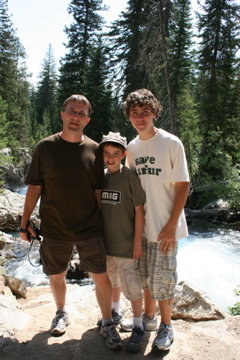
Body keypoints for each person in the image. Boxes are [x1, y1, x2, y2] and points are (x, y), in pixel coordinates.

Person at [19, 94, 122, 351]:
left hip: (90, 227)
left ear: (87, 120)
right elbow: (35, 187)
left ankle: (108, 322)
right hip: (54, 227)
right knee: (56, 275)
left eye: (81, 113)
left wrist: (107, 223)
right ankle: (61, 311)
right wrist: (24, 222)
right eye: (72, 111)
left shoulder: (96, 150)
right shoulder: (45, 147)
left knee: (101, 276)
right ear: (62, 114)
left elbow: (99, 190)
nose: (76, 117)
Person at [121, 88, 190, 352]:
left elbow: (182, 185)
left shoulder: (172, 143)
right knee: (145, 279)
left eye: (145, 113)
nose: (140, 118)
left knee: (164, 280)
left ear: (154, 113)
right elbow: (130, 187)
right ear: (129, 117)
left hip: (165, 228)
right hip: (142, 228)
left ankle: (167, 325)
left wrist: (172, 225)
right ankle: (147, 321)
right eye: (135, 113)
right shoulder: (132, 147)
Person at [99, 131, 146, 352]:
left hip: (127, 245)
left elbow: (139, 209)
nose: (110, 157)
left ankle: (138, 326)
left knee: (133, 287)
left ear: (123, 154)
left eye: (115, 153)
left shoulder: (129, 176)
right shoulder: (102, 177)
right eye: (107, 153)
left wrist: (137, 242)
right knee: (112, 281)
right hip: (107, 245)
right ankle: (115, 312)